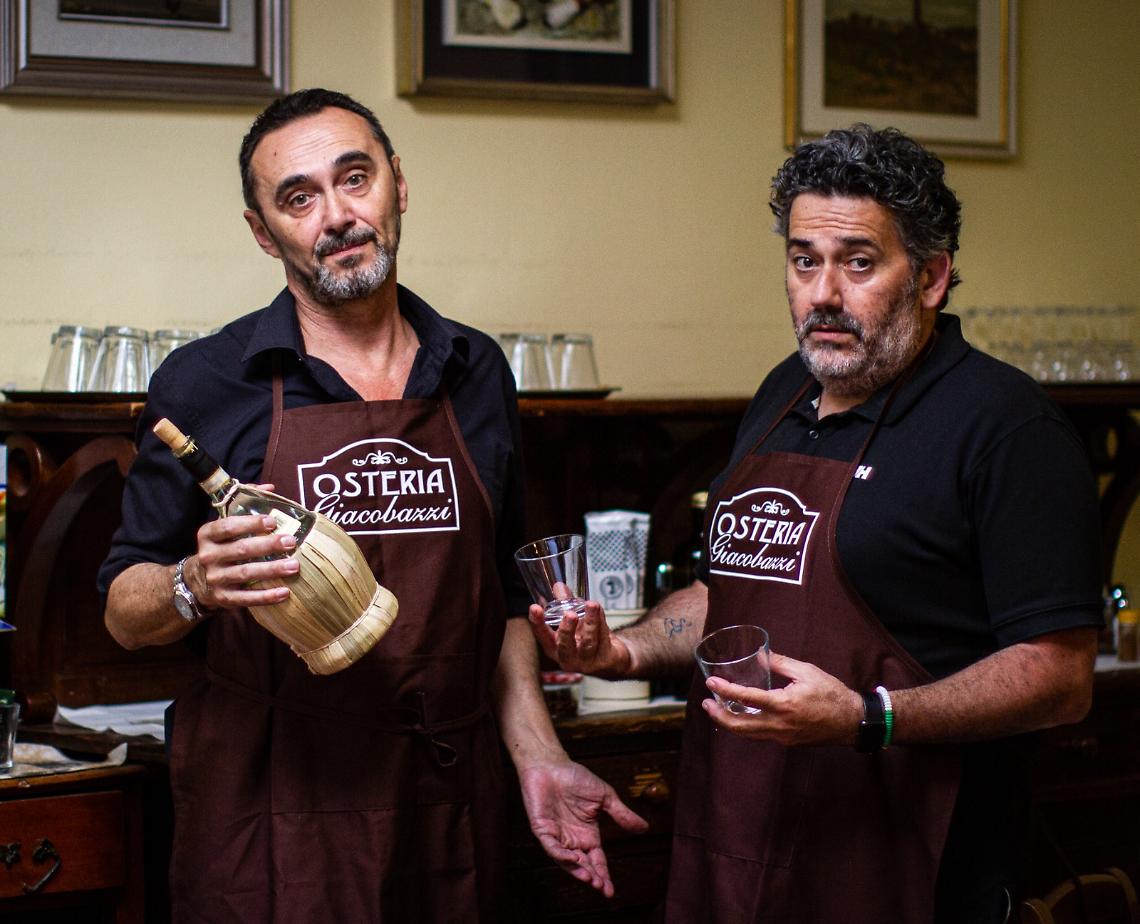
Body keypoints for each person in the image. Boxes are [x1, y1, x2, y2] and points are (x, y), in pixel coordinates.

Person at [530, 124, 1103, 924]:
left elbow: (1060, 677)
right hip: (739, 845)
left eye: (858, 263)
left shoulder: (1006, 427)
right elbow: (728, 590)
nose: (823, 294)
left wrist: (871, 716)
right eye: (805, 261)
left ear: (933, 276)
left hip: (912, 869)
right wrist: (621, 651)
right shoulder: (781, 394)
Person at [98, 87, 646, 923]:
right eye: (298, 197)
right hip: (279, 808)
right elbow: (122, 611)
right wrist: (194, 583)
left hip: (452, 801)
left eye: (355, 178)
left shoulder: (476, 371)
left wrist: (537, 756)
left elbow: (500, 601)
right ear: (262, 230)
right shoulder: (206, 385)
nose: (338, 215)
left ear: (398, 182)